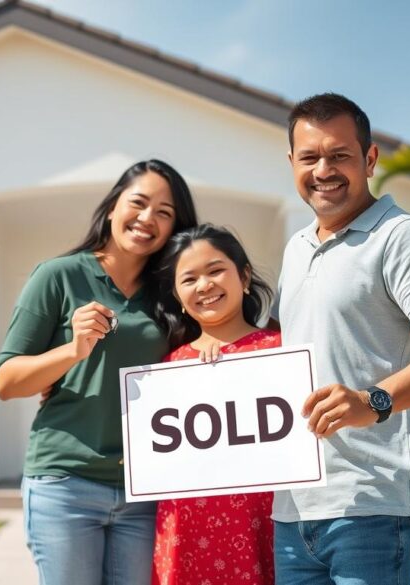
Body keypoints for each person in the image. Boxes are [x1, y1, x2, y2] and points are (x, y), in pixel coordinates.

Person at [272, 92, 410, 584]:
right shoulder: (296, 248)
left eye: (339, 155)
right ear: (291, 163)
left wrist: (374, 401)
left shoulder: (401, 237)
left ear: (370, 160)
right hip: (292, 510)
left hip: (373, 506)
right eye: (309, 157)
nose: (323, 169)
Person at [0, 159, 199, 585]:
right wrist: (72, 350)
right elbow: (7, 381)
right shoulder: (58, 276)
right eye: (139, 203)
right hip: (64, 483)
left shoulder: (172, 293)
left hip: (144, 489)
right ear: (111, 207)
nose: (147, 219)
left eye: (165, 213)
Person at [150, 224, 277, 585]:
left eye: (216, 270)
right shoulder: (168, 366)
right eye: (189, 279)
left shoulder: (283, 350)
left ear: (245, 276)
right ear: (177, 294)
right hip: (185, 531)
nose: (204, 285)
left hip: (262, 524)